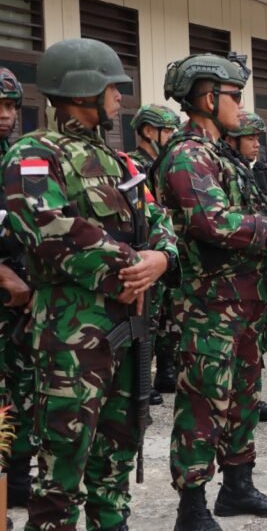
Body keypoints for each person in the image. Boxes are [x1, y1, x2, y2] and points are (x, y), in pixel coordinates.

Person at [3, 39, 178, 530]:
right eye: (112, 88)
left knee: (118, 453)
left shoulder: (124, 164)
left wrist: (160, 258)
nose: (119, 98)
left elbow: (159, 220)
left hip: (130, 326)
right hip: (70, 333)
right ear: (83, 90)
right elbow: (47, 225)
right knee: (63, 461)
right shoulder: (33, 154)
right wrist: (128, 266)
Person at [155, 52, 267, 529]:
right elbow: (212, 222)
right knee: (202, 402)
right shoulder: (187, 155)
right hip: (208, 306)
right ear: (207, 96)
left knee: (242, 397)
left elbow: (260, 216)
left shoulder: (222, 155)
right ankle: (192, 507)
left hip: (243, 301)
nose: (241, 106)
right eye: (234, 96)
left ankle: (238, 487)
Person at [225, 110, 267, 424]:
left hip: (259, 274)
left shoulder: (252, 173)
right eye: (251, 137)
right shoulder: (224, 171)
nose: (257, 145)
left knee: (255, 343)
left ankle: (250, 397)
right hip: (229, 280)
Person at [127, 104, 182, 402]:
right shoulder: (133, 165)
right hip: (146, 249)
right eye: (168, 131)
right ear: (149, 132)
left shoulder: (167, 163)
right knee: (147, 315)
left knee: (169, 314)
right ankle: (141, 377)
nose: (172, 136)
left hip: (167, 246)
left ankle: (166, 369)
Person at [0, 68, 35, 516]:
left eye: (11, 106)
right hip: (8, 287)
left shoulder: (15, 155)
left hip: (20, 299)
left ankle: (19, 479)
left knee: (23, 387)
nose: (6, 115)